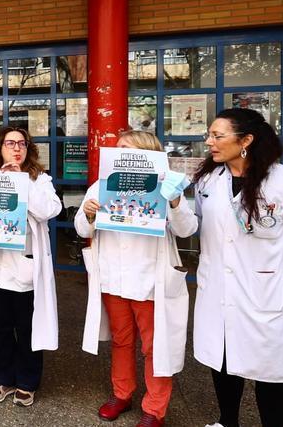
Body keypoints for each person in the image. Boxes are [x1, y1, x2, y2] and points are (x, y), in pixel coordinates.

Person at [192, 108, 283, 427]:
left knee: (269, 371)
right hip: (217, 288)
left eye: (217, 135)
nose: (209, 141)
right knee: (223, 362)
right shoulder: (209, 180)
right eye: (209, 135)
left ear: (246, 140)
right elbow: (202, 222)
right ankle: (227, 421)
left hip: (263, 292)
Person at [77, 130, 197, 427]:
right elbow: (82, 229)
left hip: (150, 280)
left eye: (126, 149)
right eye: (117, 149)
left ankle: (154, 409)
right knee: (121, 340)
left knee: (155, 347)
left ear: (147, 155)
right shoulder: (101, 185)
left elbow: (187, 230)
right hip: (113, 277)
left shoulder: (167, 183)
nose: (119, 154)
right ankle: (122, 393)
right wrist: (89, 214)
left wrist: (175, 202)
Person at [0, 126, 61, 408]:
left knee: (28, 328)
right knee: (2, 327)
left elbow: (49, 210)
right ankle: (3, 377)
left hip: (26, 268)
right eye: (10, 143)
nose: (17, 148)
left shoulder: (39, 180)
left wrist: (23, 183)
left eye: (22, 143)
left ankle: (28, 381)